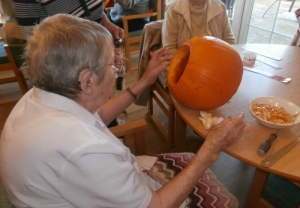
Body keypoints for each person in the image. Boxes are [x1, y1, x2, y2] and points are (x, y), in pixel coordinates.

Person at [0, 14, 245, 208]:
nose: (118, 68)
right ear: (87, 82)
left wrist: (145, 80)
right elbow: (157, 205)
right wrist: (211, 149)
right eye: (112, 63)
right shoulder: (83, 151)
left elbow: (97, 117)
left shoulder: (41, 95)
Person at [9, 0, 124, 41]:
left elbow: (88, 5)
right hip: (68, 68)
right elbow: (35, 45)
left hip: (97, 54)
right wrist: (93, 53)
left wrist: (106, 24)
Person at [162, 0, 236, 55]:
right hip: (184, 67)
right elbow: (169, 48)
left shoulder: (220, 7)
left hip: (215, 65)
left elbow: (229, 42)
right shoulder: (173, 10)